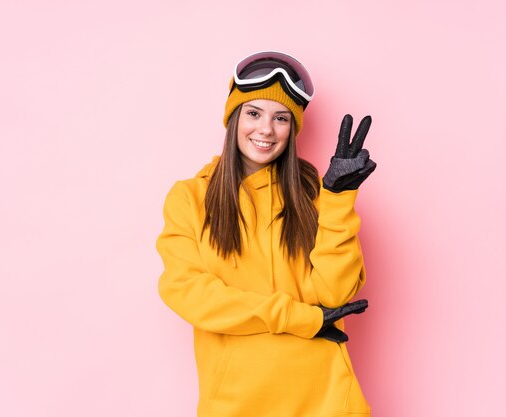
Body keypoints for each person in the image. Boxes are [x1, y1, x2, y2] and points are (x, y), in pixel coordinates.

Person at [156, 51, 376, 417]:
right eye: (253, 113)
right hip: (237, 404)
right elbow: (187, 292)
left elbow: (335, 293)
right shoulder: (190, 198)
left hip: (326, 399)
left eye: (281, 118)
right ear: (234, 118)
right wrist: (297, 318)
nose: (266, 130)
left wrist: (337, 199)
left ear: (293, 129)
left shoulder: (312, 193)